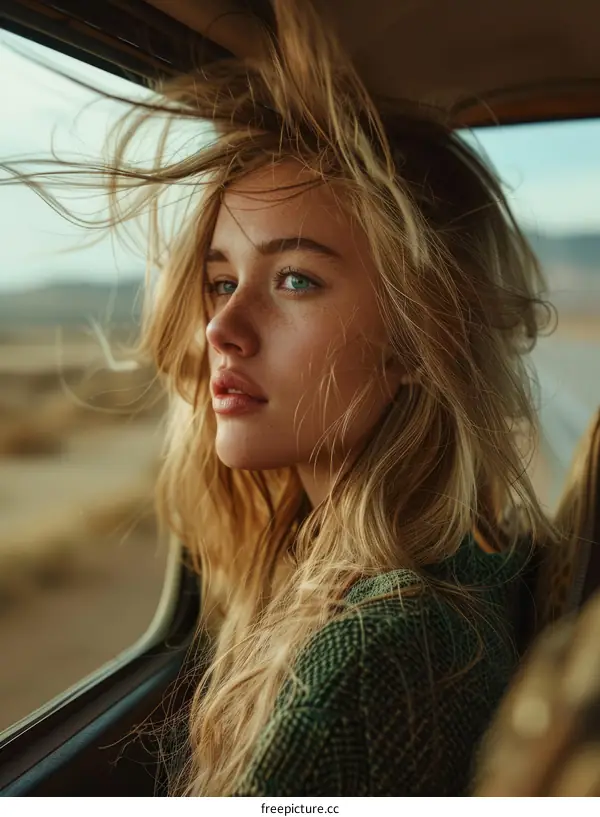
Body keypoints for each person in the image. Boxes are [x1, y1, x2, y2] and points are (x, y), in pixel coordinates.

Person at [3, 0, 557, 797]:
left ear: (415, 340)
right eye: (222, 281)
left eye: (295, 278)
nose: (221, 327)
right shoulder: (416, 571)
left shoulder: (381, 658)